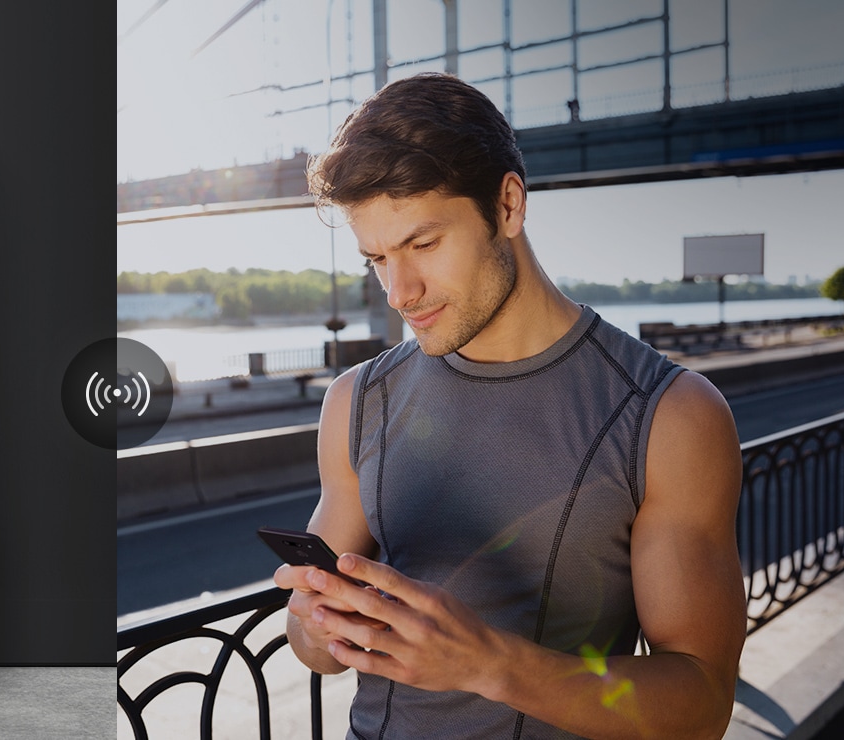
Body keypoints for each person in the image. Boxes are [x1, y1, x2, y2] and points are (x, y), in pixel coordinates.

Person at [271, 73, 745, 739]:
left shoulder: (669, 416)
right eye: (377, 258)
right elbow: (312, 645)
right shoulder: (356, 399)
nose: (399, 292)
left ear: (508, 205)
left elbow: (702, 704)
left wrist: (491, 665)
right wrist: (319, 625)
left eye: (423, 244)